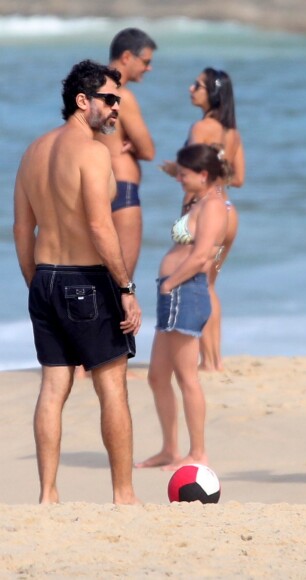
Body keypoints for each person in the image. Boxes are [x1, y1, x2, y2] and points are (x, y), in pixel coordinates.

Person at [13, 59, 142, 504]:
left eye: (119, 103)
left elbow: (20, 229)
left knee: (53, 387)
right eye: (108, 101)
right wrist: (125, 289)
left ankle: (48, 494)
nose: (114, 111)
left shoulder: (32, 151)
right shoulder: (92, 152)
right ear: (82, 100)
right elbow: (99, 225)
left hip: (44, 278)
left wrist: (36, 283)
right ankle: (123, 495)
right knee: (112, 386)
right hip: (86, 280)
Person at [135, 144, 228, 470]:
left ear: (203, 175)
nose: (179, 178)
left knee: (187, 377)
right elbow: (185, 175)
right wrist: (173, 167)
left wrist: (172, 283)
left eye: (185, 174)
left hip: (184, 292)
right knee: (158, 376)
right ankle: (169, 449)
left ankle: (198, 453)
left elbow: (202, 255)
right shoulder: (197, 199)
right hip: (172, 292)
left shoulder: (214, 206)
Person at [161, 68, 245, 372]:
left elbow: (191, 172)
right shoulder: (232, 132)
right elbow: (239, 178)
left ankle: (208, 361)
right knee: (210, 283)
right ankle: (214, 358)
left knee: (200, 283)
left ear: (212, 93)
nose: (190, 88)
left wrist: (175, 170)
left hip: (201, 210)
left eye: (197, 85)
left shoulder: (200, 128)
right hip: (227, 212)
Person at [96, 27, 157, 278]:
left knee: (93, 276)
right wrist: (132, 141)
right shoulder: (123, 97)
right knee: (122, 282)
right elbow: (148, 151)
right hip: (122, 190)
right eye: (146, 61)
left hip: (93, 188)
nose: (149, 68)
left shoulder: (88, 93)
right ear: (127, 57)